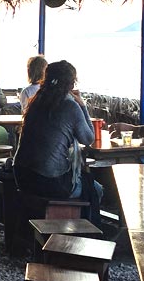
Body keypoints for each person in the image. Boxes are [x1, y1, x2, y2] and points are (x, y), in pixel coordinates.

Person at [12, 60, 101, 224]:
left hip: (22, 176)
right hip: (49, 181)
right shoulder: (70, 106)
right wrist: (82, 105)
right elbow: (88, 139)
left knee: (89, 185)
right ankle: (83, 234)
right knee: (95, 189)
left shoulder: (35, 102)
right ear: (71, 84)